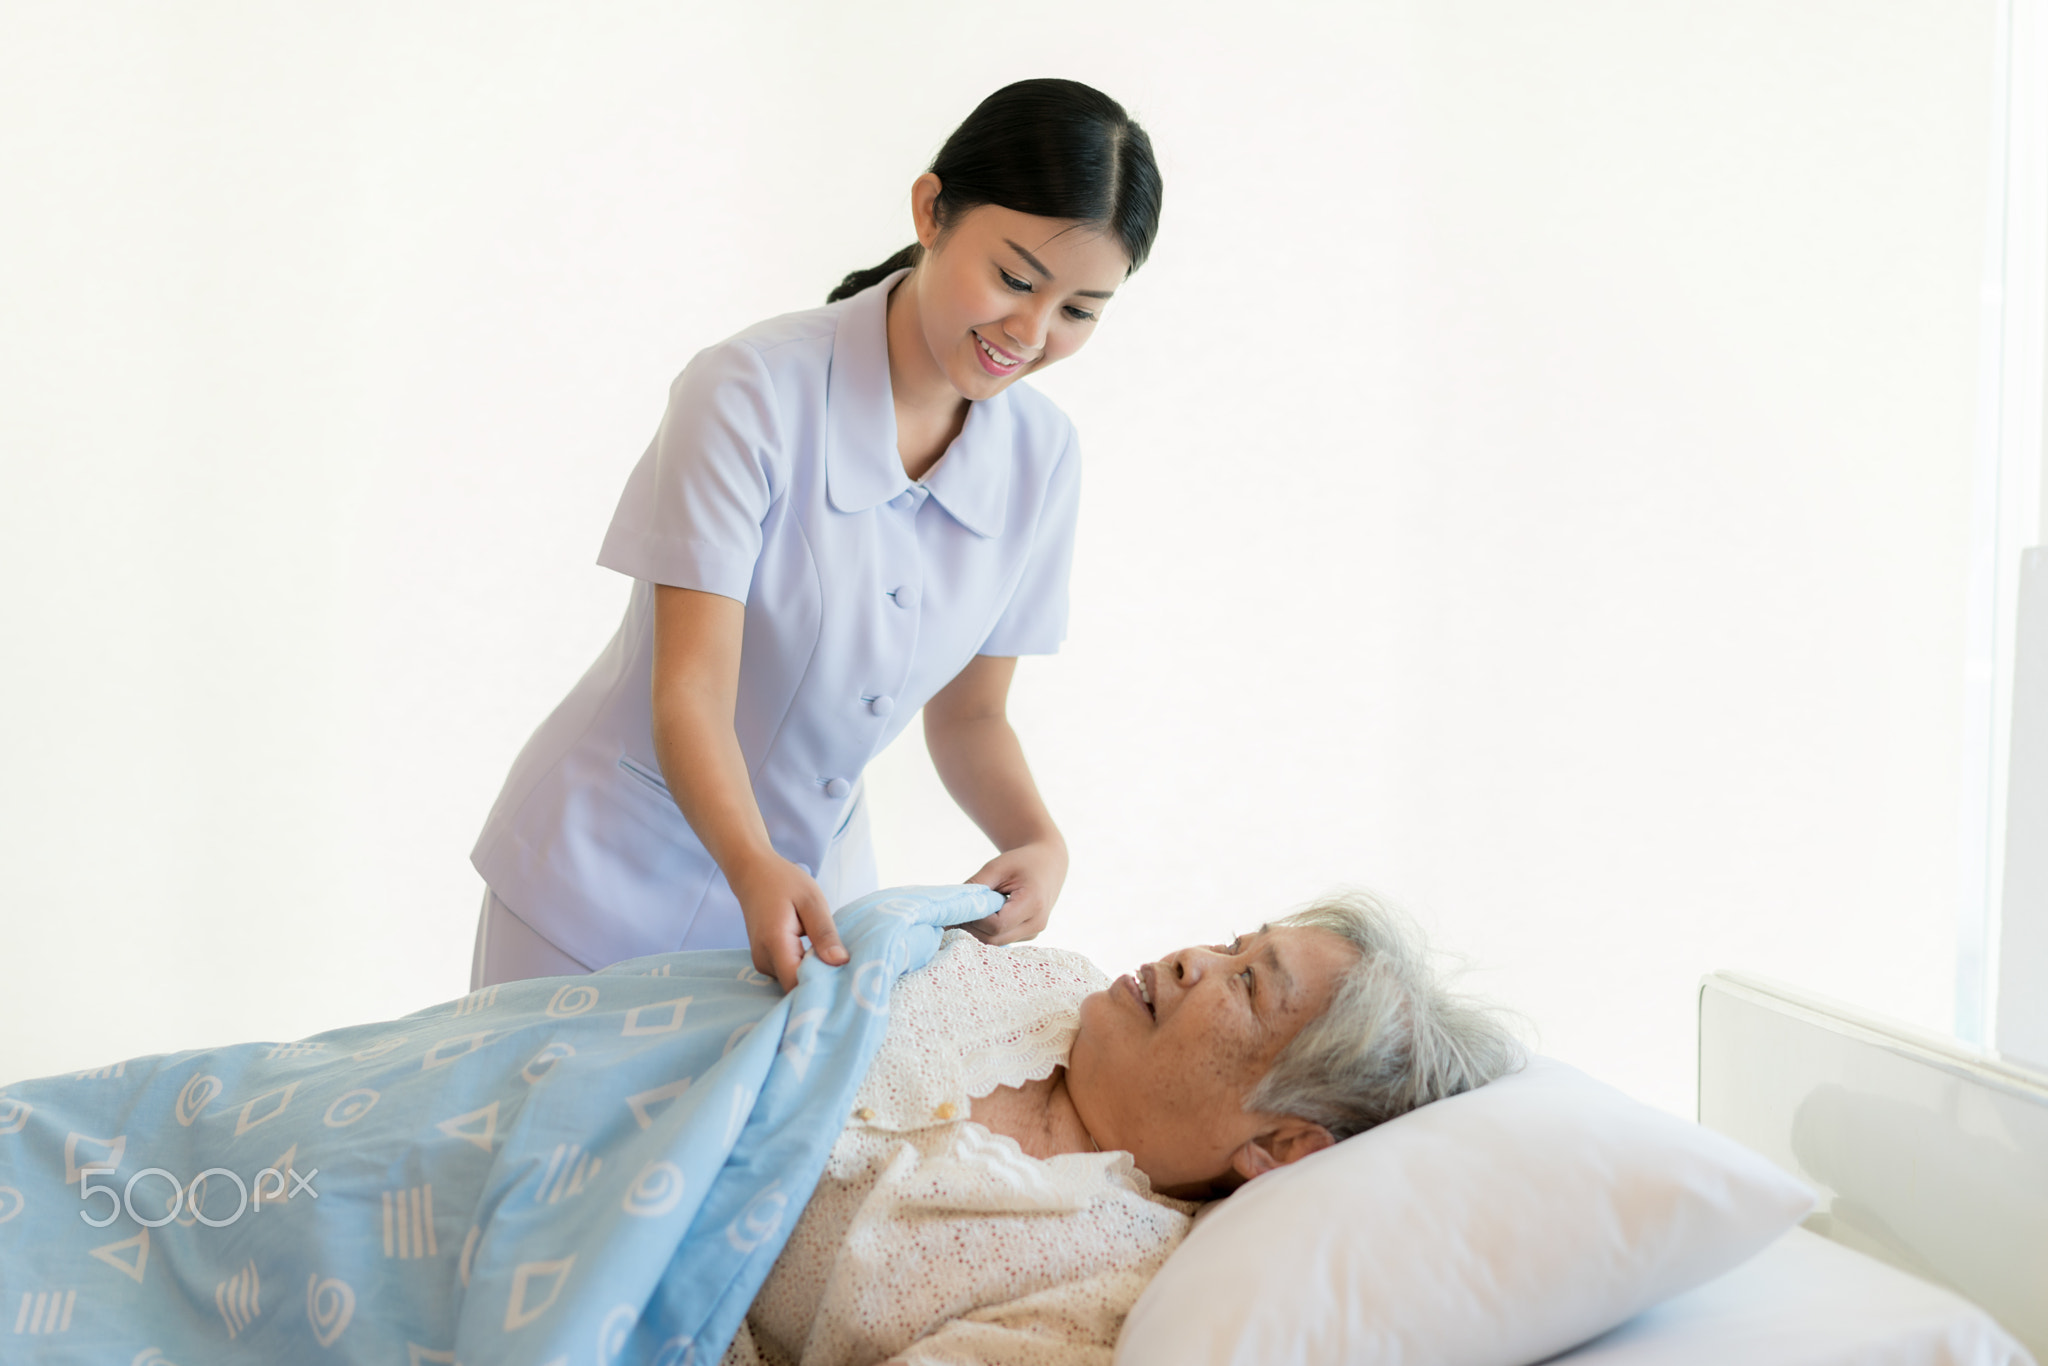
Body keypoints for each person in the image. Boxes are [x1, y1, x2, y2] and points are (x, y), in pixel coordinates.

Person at [468, 79, 1164, 992]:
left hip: (810, 911)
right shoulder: (749, 391)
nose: (1029, 333)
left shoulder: (1043, 456)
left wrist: (1036, 838)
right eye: (1014, 278)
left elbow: (972, 713)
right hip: (599, 886)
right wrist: (750, 864)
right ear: (931, 210)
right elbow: (690, 688)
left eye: (1078, 311)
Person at [725, 890, 1523, 1366]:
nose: (1191, 958)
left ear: (1283, 1147)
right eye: (1232, 943)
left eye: (1245, 983)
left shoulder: (1109, 1290)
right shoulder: (1043, 976)